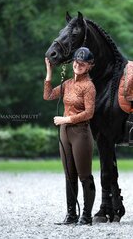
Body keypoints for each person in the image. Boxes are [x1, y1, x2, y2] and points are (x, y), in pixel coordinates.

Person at [43, 47, 96, 225]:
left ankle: (87, 216)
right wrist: (49, 73)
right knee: (69, 175)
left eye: (82, 63)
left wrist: (67, 118)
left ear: (89, 66)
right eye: (75, 61)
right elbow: (48, 95)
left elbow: (89, 113)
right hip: (65, 133)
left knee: (84, 175)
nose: (77, 65)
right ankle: (71, 214)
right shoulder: (67, 84)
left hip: (80, 133)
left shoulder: (88, 86)